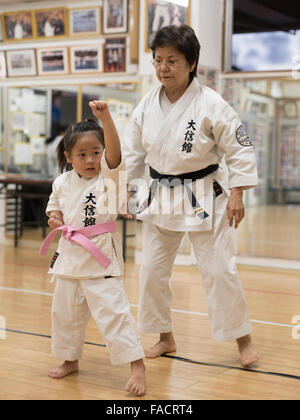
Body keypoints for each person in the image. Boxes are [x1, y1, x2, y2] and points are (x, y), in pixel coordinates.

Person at [122, 25, 260, 368]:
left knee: (219, 270)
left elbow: (239, 148)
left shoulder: (212, 102)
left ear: (192, 63)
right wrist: (126, 192)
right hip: (161, 195)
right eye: (157, 60)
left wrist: (237, 194)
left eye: (172, 60)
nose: (163, 68)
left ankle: (243, 339)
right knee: (152, 271)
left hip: (206, 194)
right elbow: (133, 154)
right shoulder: (145, 105)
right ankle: (164, 337)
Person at [40, 102, 146, 396]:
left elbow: (115, 153)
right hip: (69, 257)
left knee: (114, 313)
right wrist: (55, 219)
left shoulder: (108, 178)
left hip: (101, 259)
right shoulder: (61, 182)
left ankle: (137, 365)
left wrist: (106, 119)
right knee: (64, 313)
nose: (91, 160)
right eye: (82, 154)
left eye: (96, 153)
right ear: (68, 156)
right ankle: (70, 358)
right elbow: (55, 209)